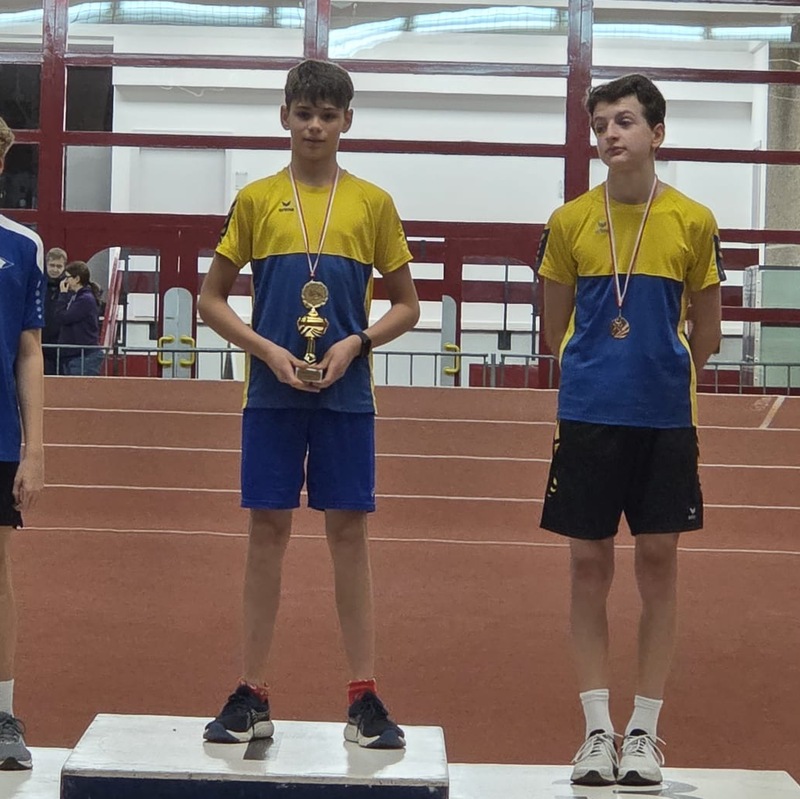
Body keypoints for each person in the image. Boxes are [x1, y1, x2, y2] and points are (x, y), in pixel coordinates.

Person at [198, 59, 419, 750]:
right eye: (304, 113)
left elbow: (408, 305)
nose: (315, 126)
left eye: (328, 115)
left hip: (346, 394)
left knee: (349, 535)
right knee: (267, 532)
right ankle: (252, 693)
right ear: (284, 116)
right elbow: (210, 298)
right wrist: (266, 349)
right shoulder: (257, 199)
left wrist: (357, 341)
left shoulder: (372, 203)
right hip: (271, 393)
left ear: (347, 120)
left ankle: (364, 696)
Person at [536, 74, 723, 787]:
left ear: (657, 133)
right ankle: (596, 731)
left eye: (624, 122)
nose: (610, 135)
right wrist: (600, 373)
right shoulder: (569, 221)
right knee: (588, 567)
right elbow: (555, 328)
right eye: (600, 126)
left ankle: (643, 730)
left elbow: (706, 332)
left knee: (657, 561)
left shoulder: (693, 220)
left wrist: (658, 373)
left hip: (665, 419)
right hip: (588, 417)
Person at [0, 115, 46, 770]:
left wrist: (36, 449)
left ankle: (2, 711)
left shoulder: (23, 246)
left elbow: (29, 351)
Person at [55, 261, 104, 376]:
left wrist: (63, 295)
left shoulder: (85, 299)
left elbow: (63, 317)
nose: (65, 281)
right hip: (75, 355)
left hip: (83, 356)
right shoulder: (77, 297)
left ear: (77, 279)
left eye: (67, 277)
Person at [43, 247, 67, 375]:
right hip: (40, 338)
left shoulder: (69, 287)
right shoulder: (38, 284)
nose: (55, 269)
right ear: (46, 264)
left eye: (59, 266)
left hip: (60, 342)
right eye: (52, 265)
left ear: (64, 267)